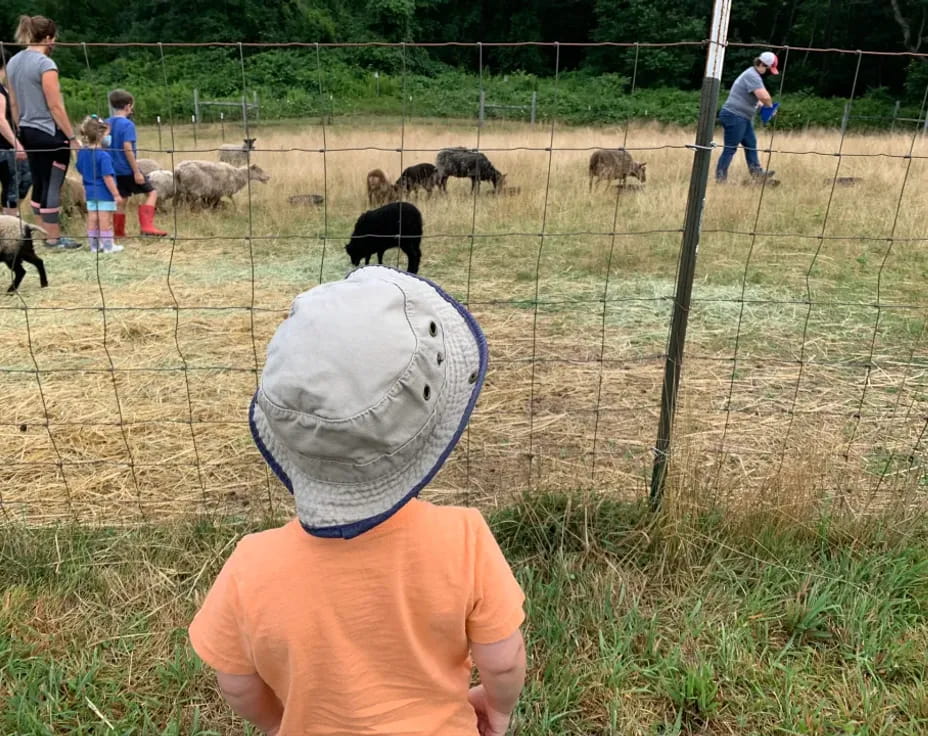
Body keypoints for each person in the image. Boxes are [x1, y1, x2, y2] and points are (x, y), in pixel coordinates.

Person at [189, 266, 527, 736]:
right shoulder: (464, 539)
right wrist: (500, 710)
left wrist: (279, 725)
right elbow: (503, 659)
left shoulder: (251, 565)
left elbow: (237, 682)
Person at [5, 14, 82, 248]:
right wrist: (71, 136)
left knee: (39, 181)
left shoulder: (14, 62)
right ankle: (53, 238)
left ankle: (42, 234)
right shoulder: (45, 64)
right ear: (48, 38)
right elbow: (55, 105)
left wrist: (19, 128)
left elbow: (14, 103)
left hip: (27, 130)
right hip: (49, 133)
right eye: (54, 39)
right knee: (52, 185)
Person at [106, 89, 167, 238]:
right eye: (131, 106)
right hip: (127, 169)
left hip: (113, 170)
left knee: (122, 200)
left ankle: (119, 233)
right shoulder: (127, 125)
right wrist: (136, 171)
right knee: (152, 193)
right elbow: (127, 148)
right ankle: (147, 227)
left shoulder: (106, 123)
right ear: (128, 106)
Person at [716, 51, 779, 182]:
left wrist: (764, 107)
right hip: (734, 115)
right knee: (730, 148)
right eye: (768, 69)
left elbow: (756, 99)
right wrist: (770, 107)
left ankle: (757, 173)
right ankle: (720, 178)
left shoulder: (753, 75)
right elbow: (764, 96)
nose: (768, 73)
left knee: (751, 143)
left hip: (743, 117)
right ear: (762, 64)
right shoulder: (752, 75)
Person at [75, 116, 124, 254]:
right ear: (101, 135)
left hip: (90, 192)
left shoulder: (82, 153)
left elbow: (79, 168)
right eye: (107, 134)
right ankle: (108, 246)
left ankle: (94, 246)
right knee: (105, 220)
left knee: (92, 218)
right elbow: (107, 177)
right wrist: (116, 194)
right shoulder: (103, 156)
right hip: (104, 193)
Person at [0, 57, 28, 216]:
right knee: (13, 187)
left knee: (22, 181)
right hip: (5, 148)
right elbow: (0, 120)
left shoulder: (6, 89)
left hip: (7, 147)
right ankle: (9, 225)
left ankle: (9, 215)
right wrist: (16, 144)